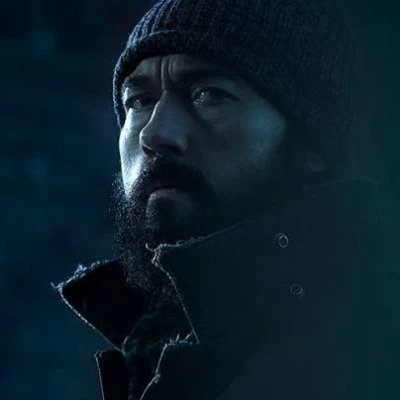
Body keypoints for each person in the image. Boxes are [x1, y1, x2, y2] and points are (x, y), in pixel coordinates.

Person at [56, 0, 400, 399]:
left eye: (209, 95)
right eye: (140, 101)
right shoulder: (149, 354)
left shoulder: (371, 357)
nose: (155, 134)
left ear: (310, 144)